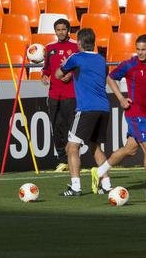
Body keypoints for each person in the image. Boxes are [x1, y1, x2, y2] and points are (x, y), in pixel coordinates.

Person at [92, 34, 146, 208]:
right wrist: (121, 98)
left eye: (144, 50)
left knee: (130, 149)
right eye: (138, 49)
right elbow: (110, 78)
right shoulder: (130, 64)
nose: (140, 53)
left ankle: (99, 170)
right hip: (134, 113)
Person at [55, 28, 111, 197]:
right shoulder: (101, 60)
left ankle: (76, 187)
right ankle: (106, 185)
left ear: (79, 43)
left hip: (87, 108)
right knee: (95, 146)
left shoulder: (76, 57)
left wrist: (66, 66)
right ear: (93, 43)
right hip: (103, 108)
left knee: (72, 147)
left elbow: (58, 74)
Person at [41, 18, 79, 172]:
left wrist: (71, 74)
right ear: (55, 31)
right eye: (58, 29)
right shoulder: (49, 48)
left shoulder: (76, 47)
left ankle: (74, 159)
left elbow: (80, 66)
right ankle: (62, 159)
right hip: (54, 94)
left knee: (71, 128)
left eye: (63, 29)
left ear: (68, 30)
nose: (61, 32)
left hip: (71, 93)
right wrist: (44, 75)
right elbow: (47, 68)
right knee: (57, 127)